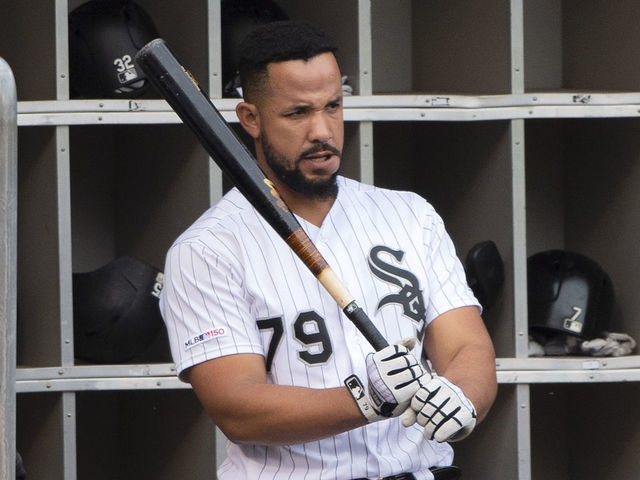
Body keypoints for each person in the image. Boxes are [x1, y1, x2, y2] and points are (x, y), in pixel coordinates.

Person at [159, 20, 497, 480]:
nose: (322, 130)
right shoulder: (206, 249)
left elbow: (465, 344)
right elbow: (237, 408)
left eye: (333, 106)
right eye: (298, 113)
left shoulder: (409, 215)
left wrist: (463, 398)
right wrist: (363, 399)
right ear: (251, 118)